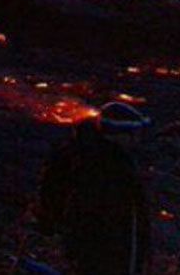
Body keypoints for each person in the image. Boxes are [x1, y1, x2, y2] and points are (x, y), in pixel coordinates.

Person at [39, 102, 151, 275]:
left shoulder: (82, 156)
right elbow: (125, 227)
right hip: (106, 256)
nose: (138, 139)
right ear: (121, 135)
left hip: (85, 252)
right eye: (135, 134)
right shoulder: (114, 170)